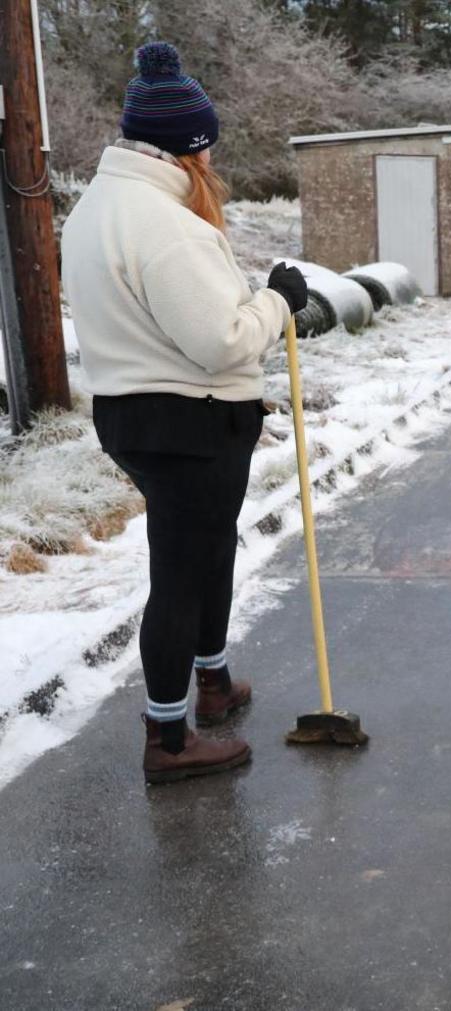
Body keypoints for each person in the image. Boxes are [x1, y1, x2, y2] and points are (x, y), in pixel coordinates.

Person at [61, 42, 307, 784]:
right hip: (191, 422)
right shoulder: (165, 225)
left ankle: (214, 677)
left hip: (133, 417)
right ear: (189, 149)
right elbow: (221, 341)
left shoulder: (96, 208)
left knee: (207, 550)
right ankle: (169, 738)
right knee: (180, 570)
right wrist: (279, 302)